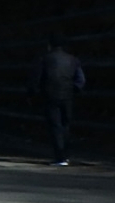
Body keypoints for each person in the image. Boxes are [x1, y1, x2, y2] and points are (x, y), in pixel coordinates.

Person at [29, 33, 86, 166]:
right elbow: (81, 79)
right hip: (68, 96)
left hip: (50, 95)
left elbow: (36, 79)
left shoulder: (44, 59)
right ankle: (65, 155)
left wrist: (34, 93)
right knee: (66, 124)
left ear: (49, 45)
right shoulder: (73, 60)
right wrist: (74, 90)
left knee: (55, 126)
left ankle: (59, 157)